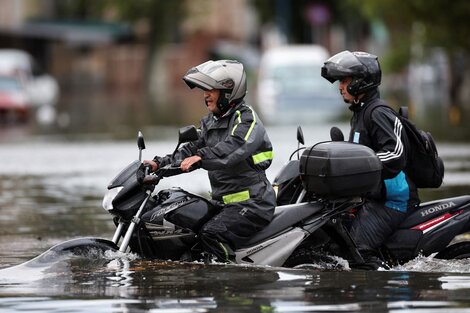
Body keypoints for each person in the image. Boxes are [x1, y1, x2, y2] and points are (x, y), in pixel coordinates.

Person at [145, 60, 276, 262]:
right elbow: (190, 149)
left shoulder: (246, 119)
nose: (205, 95)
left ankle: (227, 282)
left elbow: (235, 146)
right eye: (204, 89)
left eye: (211, 89)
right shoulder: (210, 122)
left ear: (228, 92)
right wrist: (157, 165)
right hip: (222, 203)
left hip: (253, 204)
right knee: (187, 228)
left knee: (212, 234)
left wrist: (202, 157)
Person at [321, 50, 420, 269]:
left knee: (358, 249)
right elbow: (356, 153)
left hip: (393, 199)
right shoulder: (360, 112)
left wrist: (363, 163)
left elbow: (396, 153)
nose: (340, 86)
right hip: (372, 196)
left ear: (361, 82)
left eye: (344, 81)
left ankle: (377, 295)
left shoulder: (378, 113)